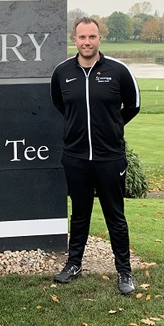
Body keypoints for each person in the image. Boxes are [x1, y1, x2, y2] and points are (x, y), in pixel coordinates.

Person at [50, 17, 141, 295]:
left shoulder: (118, 71)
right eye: (81, 37)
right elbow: (59, 103)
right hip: (75, 157)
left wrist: (111, 127)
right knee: (79, 214)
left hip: (109, 157)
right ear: (74, 40)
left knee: (115, 215)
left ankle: (124, 272)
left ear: (100, 38)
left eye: (92, 37)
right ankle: (74, 264)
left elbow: (133, 105)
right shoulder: (62, 72)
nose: (87, 42)